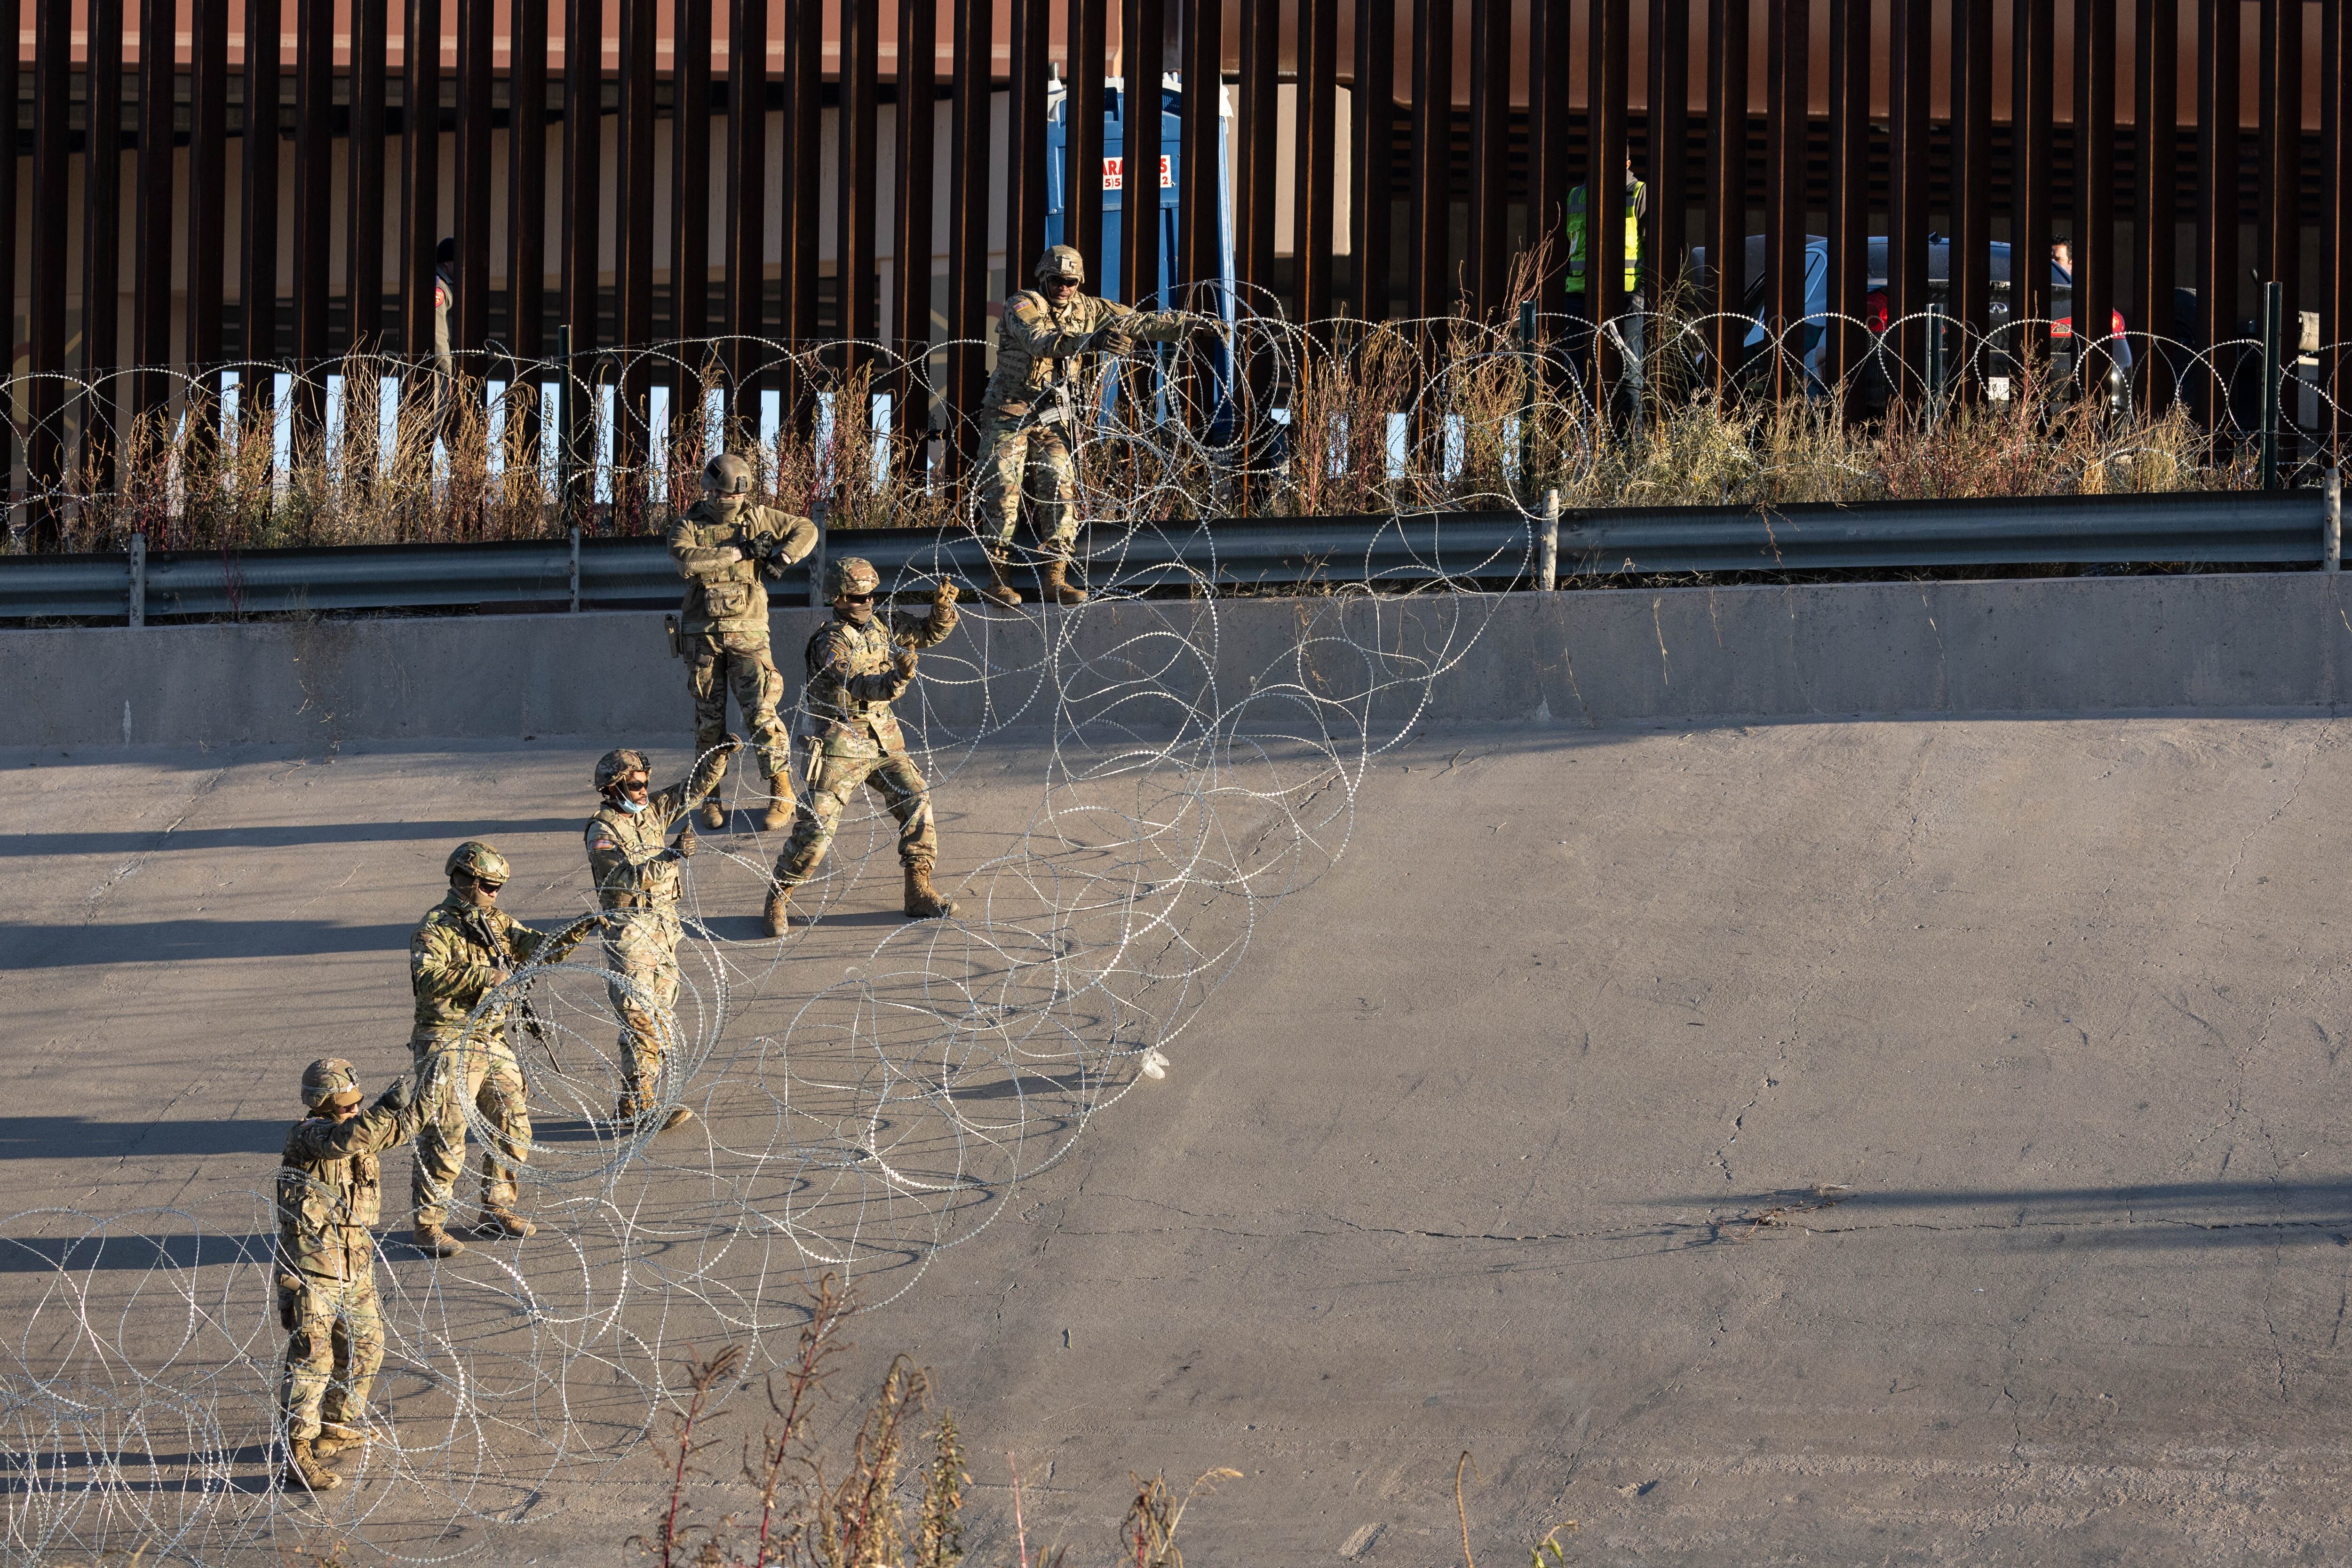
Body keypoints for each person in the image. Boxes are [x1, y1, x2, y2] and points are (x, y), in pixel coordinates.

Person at [974, 245, 1193, 607]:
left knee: (1061, 492)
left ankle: (1055, 579)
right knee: (1003, 494)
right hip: (1009, 414)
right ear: (1043, 278)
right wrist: (1094, 340)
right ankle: (999, 581)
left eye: (1071, 282)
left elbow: (1139, 322)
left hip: (1053, 416)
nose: (1064, 288)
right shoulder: (1023, 304)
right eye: (1057, 280)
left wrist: (1193, 326)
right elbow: (1039, 342)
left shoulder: (1089, 308)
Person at [407, 840, 595, 1258]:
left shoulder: (498, 923)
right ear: (466, 881)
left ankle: (497, 1208)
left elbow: (541, 950)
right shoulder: (436, 927)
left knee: (513, 1124)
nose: (495, 894)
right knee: (447, 1132)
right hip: (447, 1037)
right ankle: (429, 1224)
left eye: (498, 888)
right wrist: (484, 976)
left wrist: (580, 928)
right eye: (489, 886)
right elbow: (427, 978)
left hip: (490, 1037)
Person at [763, 558, 962, 935]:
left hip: (883, 738)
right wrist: (898, 678)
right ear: (838, 598)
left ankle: (918, 891)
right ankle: (779, 895)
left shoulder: (883, 622)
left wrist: (941, 609)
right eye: (858, 598)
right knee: (816, 831)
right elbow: (860, 685)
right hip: (840, 742)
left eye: (872, 595)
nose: (867, 602)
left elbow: (928, 633)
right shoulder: (830, 642)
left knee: (917, 800)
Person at [275, 1059, 419, 1492]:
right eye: (346, 1103)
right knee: (312, 1363)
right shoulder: (309, 1136)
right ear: (322, 1103)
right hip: (314, 1269)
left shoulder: (358, 1130)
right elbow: (344, 1142)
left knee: (366, 1347)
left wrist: (437, 1084)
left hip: (355, 1265)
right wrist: (382, 1107)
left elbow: (403, 1128)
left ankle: (336, 1426)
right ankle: (297, 1454)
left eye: (358, 1102)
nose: (355, 1108)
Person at [669, 452, 821, 832]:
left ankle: (781, 790)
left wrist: (783, 559)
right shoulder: (687, 525)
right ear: (710, 491)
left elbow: (807, 528)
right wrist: (740, 552)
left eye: (739, 496)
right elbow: (687, 560)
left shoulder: (758, 517)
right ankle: (710, 795)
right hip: (703, 637)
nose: (734, 501)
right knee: (709, 721)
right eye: (727, 495)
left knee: (762, 713)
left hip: (749, 633)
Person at [586, 741, 733, 1132]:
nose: (643, 792)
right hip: (630, 933)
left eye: (646, 784)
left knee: (661, 1020)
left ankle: (633, 1102)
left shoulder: (650, 811)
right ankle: (641, 1104)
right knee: (640, 1019)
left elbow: (691, 790)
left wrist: (718, 758)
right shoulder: (603, 830)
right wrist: (669, 857)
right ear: (613, 787)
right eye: (635, 786)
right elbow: (617, 881)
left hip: (662, 931)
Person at [1564, 156, 1650, 402]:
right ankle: (1584, 426)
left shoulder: (1639, 193)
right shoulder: (1576, 196)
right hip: (1579, 295)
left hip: (1627, 297)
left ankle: (1629, 428)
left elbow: (1653, 248)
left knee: (1630, 377)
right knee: (1576, 376)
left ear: (1628, 163)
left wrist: (1641, 295)